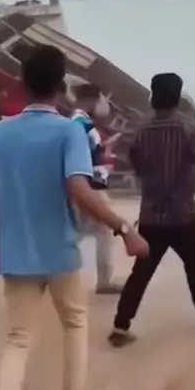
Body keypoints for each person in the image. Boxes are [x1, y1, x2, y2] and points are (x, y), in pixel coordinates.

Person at [0, 45, 148, 390]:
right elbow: (78, 187)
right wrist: (123, 228)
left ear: (23, 83)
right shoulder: (68, 131)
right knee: (74, 322)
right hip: (59, 248)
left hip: (17, 251)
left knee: (18, 338)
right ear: (61, 87)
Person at [108, 72, 195, 348]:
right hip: (183, 214)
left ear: (153, 98)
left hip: (151, 215)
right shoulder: (187, 128)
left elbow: (137, 165)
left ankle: (121, 324)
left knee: (141, 271)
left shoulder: (140, 130)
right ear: (177, 97)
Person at [72, 83, 123, 294]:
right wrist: (107, 149)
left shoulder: (76, 122)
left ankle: (47, 273)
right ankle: (104, 281)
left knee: (79, 231)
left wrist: (105, 146)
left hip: (83, 184)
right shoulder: (84, 125)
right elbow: (90, 157)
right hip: (92, 185)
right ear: (92, 100)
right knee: (102, 231)